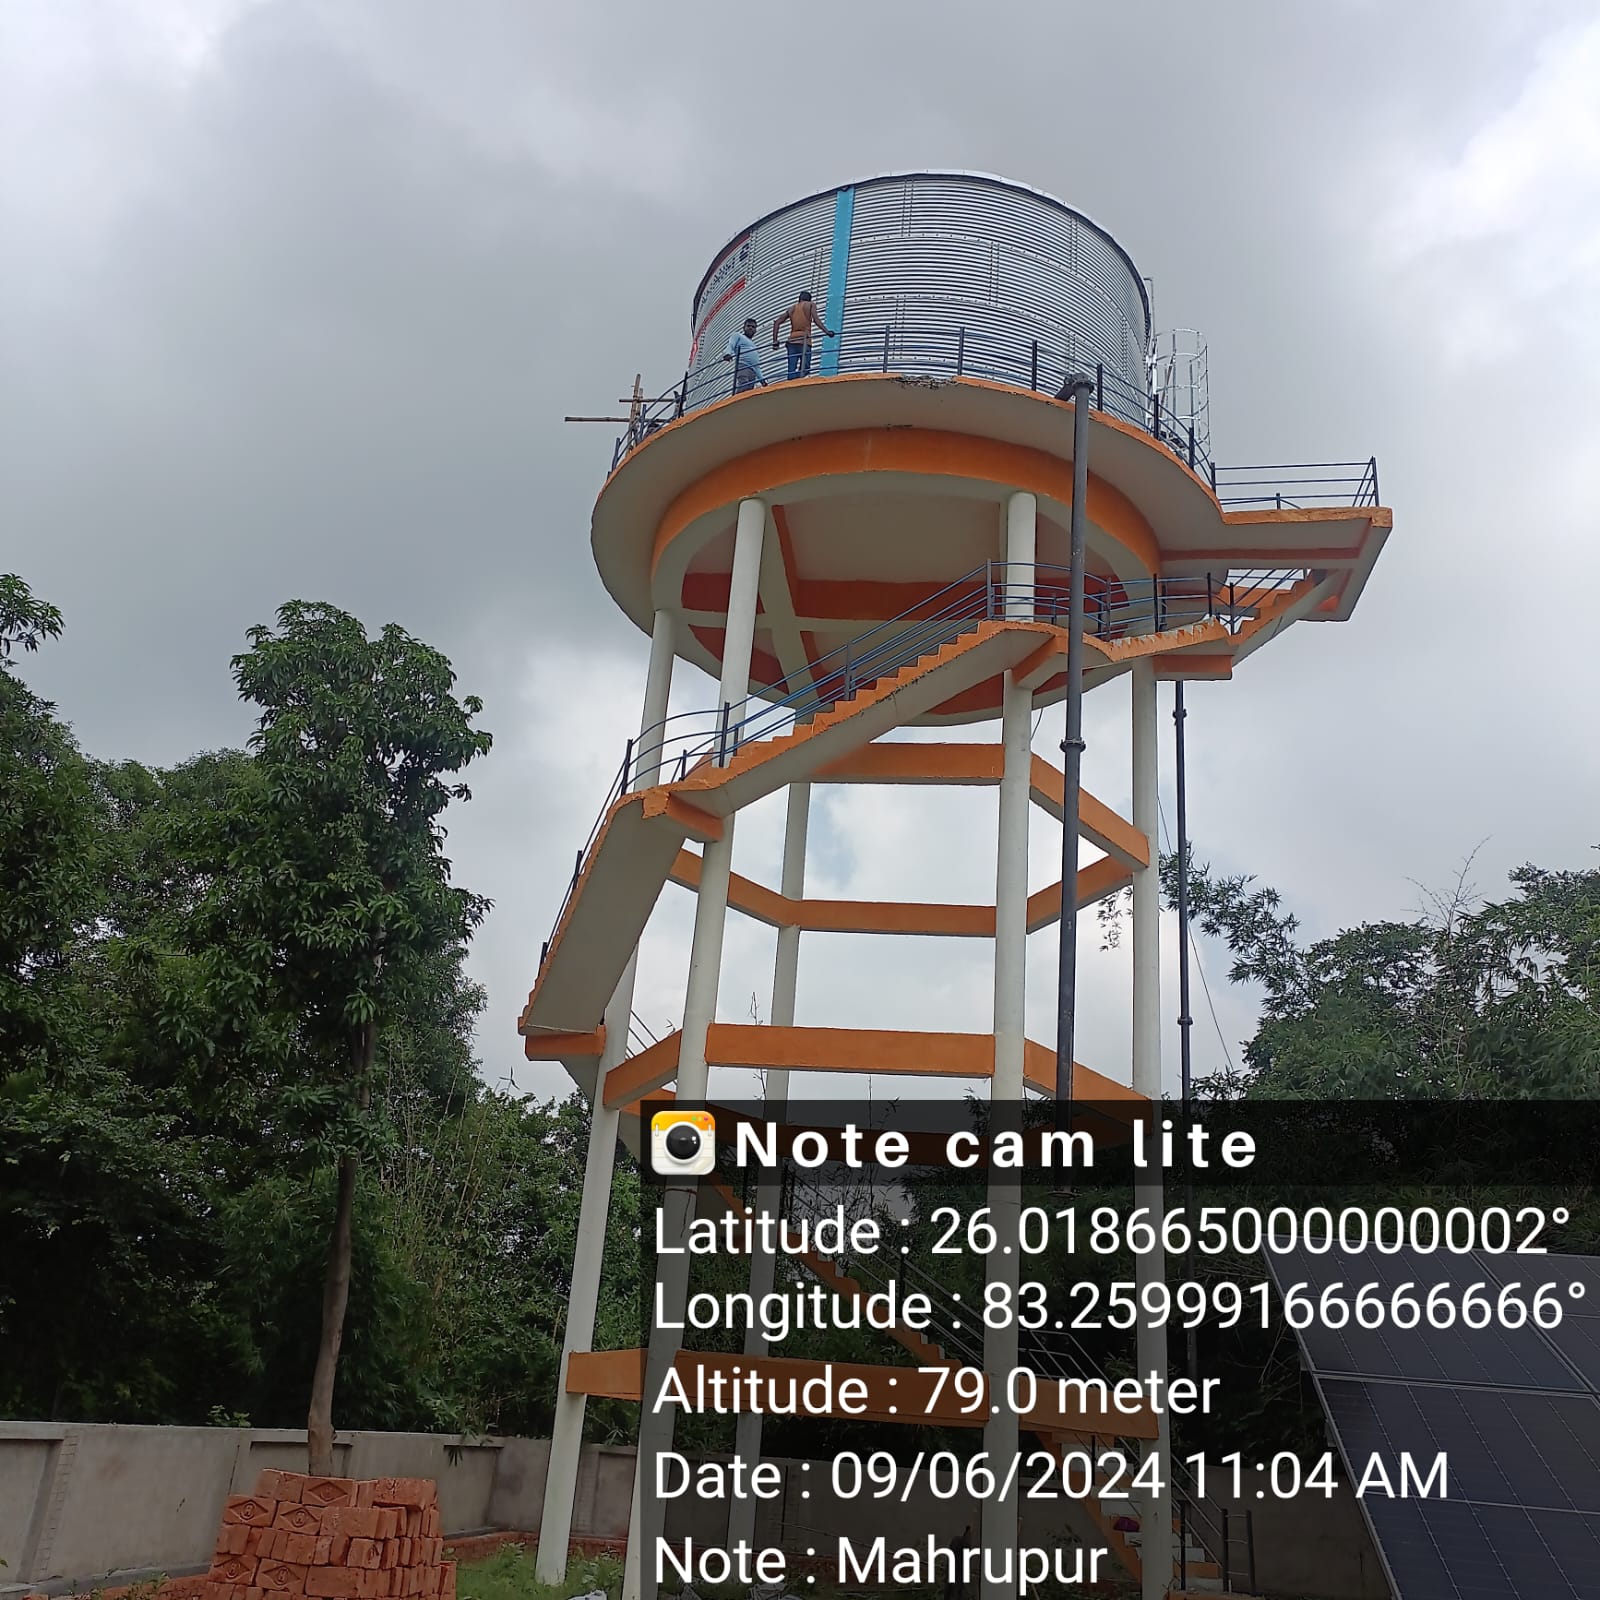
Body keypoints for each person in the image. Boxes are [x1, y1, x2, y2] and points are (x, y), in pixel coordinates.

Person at [772, 290, 835, 380]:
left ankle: (792, 383)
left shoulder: (792, 308)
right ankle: (798, 381)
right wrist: (827, 332)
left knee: (791, 370)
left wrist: (775, 341)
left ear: (799, 299)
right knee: (805, 369)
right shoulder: (810, 305)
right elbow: (816, 320)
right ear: (809, 299)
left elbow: (777, 322)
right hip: (804, 340)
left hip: (792, 341)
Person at [723, 317, 767, 393]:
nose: (750, 328)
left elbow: (756, 366)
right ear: (744, 328)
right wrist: (727, 353)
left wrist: (762, 380)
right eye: (748, 326)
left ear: (755, 330)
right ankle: (736, 399)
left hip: (753, 371)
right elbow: (731, 345)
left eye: (753, 327)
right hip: (743, 366)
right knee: (744, 385)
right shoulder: (738, 336)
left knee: (749, 391)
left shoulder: (754, 346)